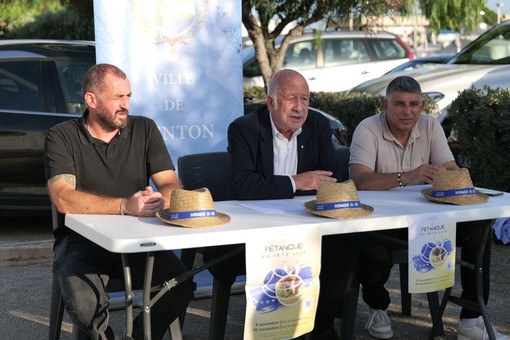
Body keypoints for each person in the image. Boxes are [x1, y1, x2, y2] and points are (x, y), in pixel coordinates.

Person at [349, 75, 509, 340]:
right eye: (399, 104)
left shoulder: (431, 125)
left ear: (422, 106)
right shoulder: (367, 128)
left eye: (414, 104)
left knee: (480, 227)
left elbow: (451, 170)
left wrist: (454, 178)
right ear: (384, 105)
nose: (407, 111)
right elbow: (359, 179)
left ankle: (471, 320)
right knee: (370, 244)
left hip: (428, 221)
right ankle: (377, 307)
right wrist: (407, 177)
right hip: (383, 222)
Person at [44, 63, 195, 340]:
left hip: (138, 239)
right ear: (91, 100)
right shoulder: (61, 135)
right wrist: (125, 206)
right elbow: (63, 198)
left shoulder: (144, 128)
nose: (125, 104)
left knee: (181, 284)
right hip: (81, 241)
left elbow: (169, 183)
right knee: (83, 303)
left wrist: (167, 200)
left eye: (128, 96)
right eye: (117, 97)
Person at [208, 69, 358, 340]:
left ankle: (322, 324)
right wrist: (295, 182)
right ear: (270, 102)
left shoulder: (317, 125)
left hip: (304, 224)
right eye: (291, 99)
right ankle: (273, 330)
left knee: (344, 247)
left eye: (305, 98)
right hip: (255, 229)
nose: (300, 108)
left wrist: (307, 184)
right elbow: (242, 185)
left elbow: (332, 178)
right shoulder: (245, 129)